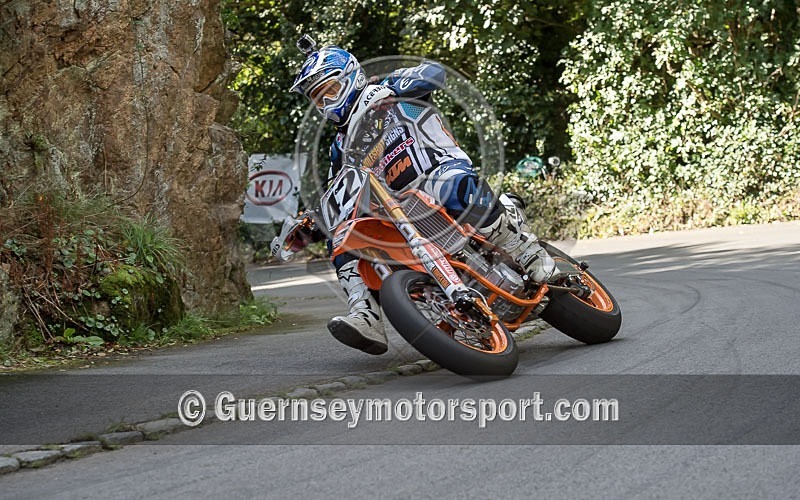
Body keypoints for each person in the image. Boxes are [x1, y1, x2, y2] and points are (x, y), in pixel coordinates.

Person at [284, 39, 555, 355]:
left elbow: (433, 73)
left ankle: (526, 250)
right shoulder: (339, 147)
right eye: (318, 99)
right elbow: (339, 189)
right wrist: (312, 223)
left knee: (452, 185)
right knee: (342, 238)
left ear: (351, 77)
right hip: (396, 208)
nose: (326, 102)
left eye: (330, 90)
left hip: (438, 171)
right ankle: (365, 314)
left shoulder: (390, 92)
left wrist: (394, 88)